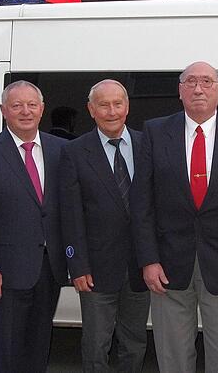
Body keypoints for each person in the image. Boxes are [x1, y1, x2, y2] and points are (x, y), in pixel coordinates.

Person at [130, 61, 218, 373]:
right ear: (179, 91)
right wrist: (148, 259)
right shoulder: (155, 132)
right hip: (167, 265)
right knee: (173, 355)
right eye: (190, 81)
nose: (198, 88)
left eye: (206, 81)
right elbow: (142, 203)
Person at [0, 80, 68, 372]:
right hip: (4, 272)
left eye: (32, 105)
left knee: (39, 348)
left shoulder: (61, 149)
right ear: (3, 111)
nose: (26, 111)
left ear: (42, 109)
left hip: (49, 268)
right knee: (7, 351)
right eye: (17, 105)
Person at [60, 79, 150, 372]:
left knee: (135, 342)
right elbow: (70, 215)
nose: (111, 111)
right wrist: (78, 265)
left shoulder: (146, 144)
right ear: (91, 110)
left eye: (117, 103)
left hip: (141, 266)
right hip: (96, 269)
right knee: (97, 344)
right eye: (103, 104)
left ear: (127, 107)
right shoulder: (74, 152)